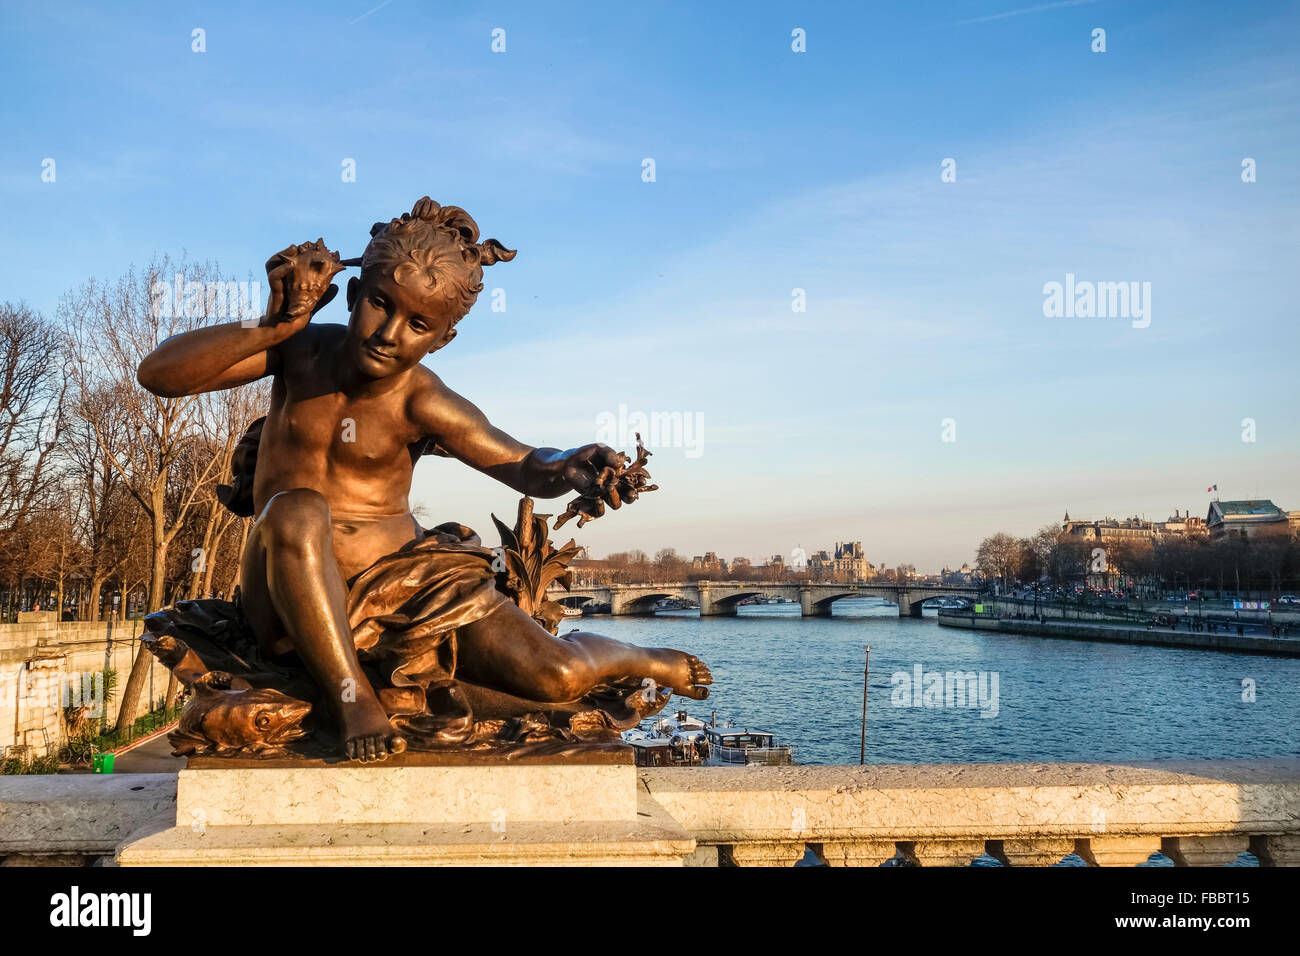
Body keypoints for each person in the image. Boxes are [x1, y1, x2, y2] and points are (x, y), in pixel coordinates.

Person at [137, 198, 710, 761]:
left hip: (408, 587)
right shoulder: (299, 353)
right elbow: (160, 375)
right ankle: (352, 699)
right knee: (297, 509)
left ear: (441, 340)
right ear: (354, 294)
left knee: (557, 677)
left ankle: (642, 658)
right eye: (380, 305)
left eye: (417, 325)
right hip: (287, 593)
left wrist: (569, 465)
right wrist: (275, 323)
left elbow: (520, 463)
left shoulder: (423, 400)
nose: (389, 333)